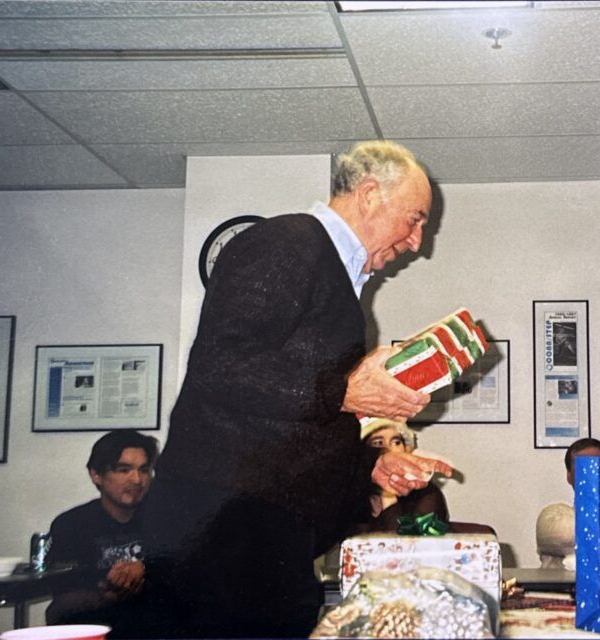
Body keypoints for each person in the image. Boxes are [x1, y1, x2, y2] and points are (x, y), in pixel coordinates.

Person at [141, 140, 452, 639]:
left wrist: (371, 468)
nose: (418, 242)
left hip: (255, 536)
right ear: (370, 194)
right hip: (222, 536)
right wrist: (344, 392)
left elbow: (295, 421)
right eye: (414, 219)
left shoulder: (330, 270)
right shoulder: (286, 242)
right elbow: (222, 366)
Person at [46, 430, 159, 637]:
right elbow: (62, 599)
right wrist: (107, 591)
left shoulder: (166, 519)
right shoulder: (71, 524)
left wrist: (144, 569)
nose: (137, 479)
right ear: (96, 475)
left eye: (144, 470)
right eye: (123, 470)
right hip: (98, 624)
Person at [358, 419, 449, 532]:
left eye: (396, 442)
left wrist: (388, 496)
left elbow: (404, 545)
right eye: (378, 443)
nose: (390, 450)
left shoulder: (426, 494)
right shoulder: (350, 493)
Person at [536, 438, 600, 570]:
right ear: (569, 476)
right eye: (583, 468)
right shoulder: (552, 517)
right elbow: (564, 535)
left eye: (599, 467)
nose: (591, 475)